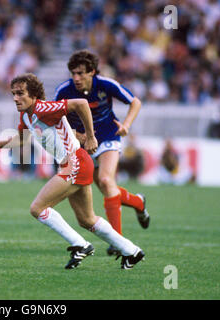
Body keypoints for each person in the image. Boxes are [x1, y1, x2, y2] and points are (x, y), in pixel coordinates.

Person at [0, 73, 145, 269]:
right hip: (77, 164)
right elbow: (20, 139)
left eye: (20, 93)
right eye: (13, 94)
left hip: (75, 162)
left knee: (37, 208)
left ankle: (80, 244)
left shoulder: (42, 107)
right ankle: (132, 251)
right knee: (87, 219)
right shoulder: (26, 116)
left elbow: (81, 104)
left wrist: (90, 137)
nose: (15, 98)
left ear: (33, 95)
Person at [54, 50, 150, 256]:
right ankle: (138, 202)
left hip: (107, 137)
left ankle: (117, 241)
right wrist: (75, 134)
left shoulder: (106, 85)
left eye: (80, 73)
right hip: (82, 143)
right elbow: (54, 118)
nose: (76, 78)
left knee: (106, 181)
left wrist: (126, 125)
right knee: (108, 188)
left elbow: (135, 102)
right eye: (73, 74)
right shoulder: (64, 90)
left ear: (93, 72)